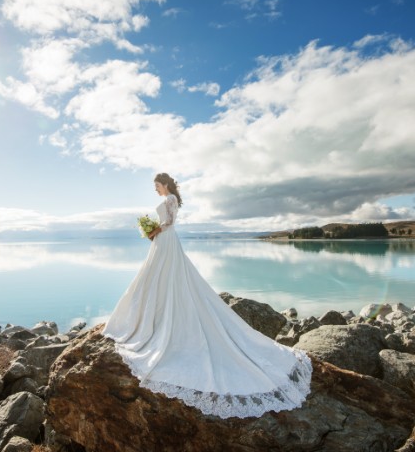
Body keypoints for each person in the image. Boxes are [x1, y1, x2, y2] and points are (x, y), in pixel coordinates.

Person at [103, 173, 312, 419]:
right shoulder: (168, 197)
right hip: (163, 241)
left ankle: (159, 313)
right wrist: (152, 231)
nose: (155, 189)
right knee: (157, 275)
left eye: (156, 185)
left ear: (166, 184)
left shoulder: (170, 198)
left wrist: (154, 230)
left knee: (165, 275)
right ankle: (152, 311)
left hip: (166, 238)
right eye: (155, 186)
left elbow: (169, 221)